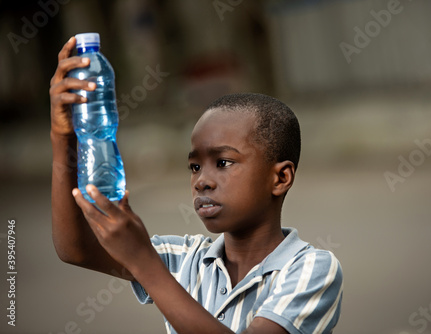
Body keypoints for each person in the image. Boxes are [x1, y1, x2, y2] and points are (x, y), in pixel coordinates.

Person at [50, 36, 343, 334]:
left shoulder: (311, 269)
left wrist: (145, 264)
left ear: (280, 178)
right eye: (194, 166)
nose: (201, 181)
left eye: (224, 163)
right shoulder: (185, 258)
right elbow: (75, 249)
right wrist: (63, 137)